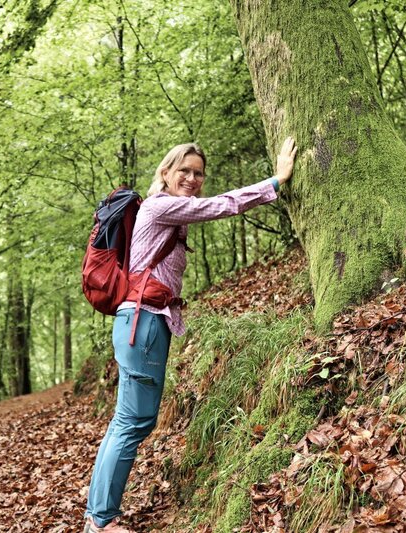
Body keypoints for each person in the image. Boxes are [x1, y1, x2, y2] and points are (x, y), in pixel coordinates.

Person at [83, 138, 298, 533]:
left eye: (198, 173)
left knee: (129, 421)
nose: (193, 178)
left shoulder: (165, 213)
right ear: (165, 173)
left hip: (142, 322)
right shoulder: (161, 206)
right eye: (184, 170)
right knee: (133, 421)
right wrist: (276, 181)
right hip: (142, 324)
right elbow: (221, 205)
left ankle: (97, 515)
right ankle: (101, 521)